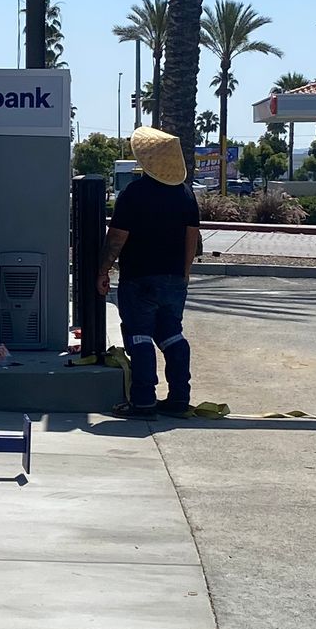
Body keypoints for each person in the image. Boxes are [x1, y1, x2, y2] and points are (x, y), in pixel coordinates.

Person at [98, 125, 200, 414]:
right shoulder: (186, 195)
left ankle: (143, 400)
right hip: (174, 280)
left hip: (139, 278)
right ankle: (180, 397)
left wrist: (102, 271)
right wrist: (184, 275)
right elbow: (191, 238)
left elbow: (116, 239)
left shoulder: (134, 194)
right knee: (172, 335)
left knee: (139, 335)